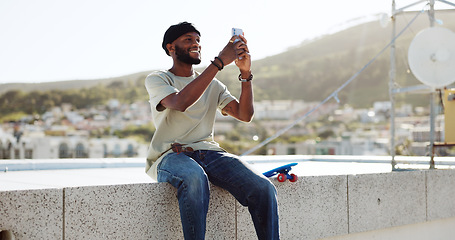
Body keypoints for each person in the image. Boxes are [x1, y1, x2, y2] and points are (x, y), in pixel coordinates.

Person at [145, 22, 279, 240]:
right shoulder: (158, 79)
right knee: (194, 177)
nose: (196, 43)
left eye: (198, 40)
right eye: (188, 39)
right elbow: (180, 102)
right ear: (171, 47)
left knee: (263, 187)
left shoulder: (213, 84)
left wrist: (245, 73)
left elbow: (245, 115)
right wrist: (218, 63)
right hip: (171, 155)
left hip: (210, 153)